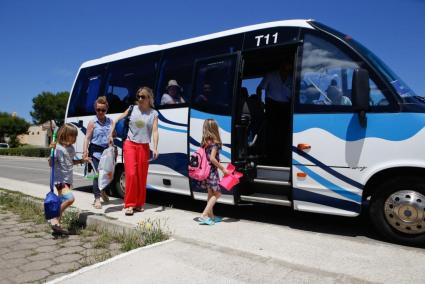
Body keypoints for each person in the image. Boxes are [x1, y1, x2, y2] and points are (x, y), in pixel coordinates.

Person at [109, 87, 159, 216]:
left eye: (143, 96)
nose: (140, 99)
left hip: (144, 146)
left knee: (141, 176)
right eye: (138, 96)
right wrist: (111, 132)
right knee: (130, 174)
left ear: (149, 98)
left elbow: (155, 131)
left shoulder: (153, 113)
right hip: (130, 144)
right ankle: (129, 204)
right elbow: (116, 119)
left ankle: (139, 203)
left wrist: (156, 147)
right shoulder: (132, 109)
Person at [49, 124, 87, 234]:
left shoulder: (71, 148)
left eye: (75, 136)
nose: (75, 138)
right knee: (70, 199)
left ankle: (57, 227)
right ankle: (54, 218)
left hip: (68, 180)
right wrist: (51, 152)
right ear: (65, 135)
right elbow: (51, 164)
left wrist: (81, 161)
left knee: (62, 202)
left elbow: (70, 162)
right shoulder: (57, 148)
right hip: (59, 180)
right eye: (72, 136)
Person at [256, 60, 293, 166]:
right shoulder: (271, 75)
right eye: (287, 64)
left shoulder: (291, 78)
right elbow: (259, 88)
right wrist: (260, 103)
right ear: (282, 65)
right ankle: (270, 158)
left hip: (286, 107)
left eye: (290, 65)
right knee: (271, 133)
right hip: (272, 106)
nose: (289, 67)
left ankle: (281, 157)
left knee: (284, 133)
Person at [82, 96, 113, 209]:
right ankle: (97, 198)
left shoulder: (110, 122)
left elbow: (114, 135)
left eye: (103, 110)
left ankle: (103, 190)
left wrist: (113, 136)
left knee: (107, 175)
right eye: (98, 110)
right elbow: (87, 138)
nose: (100, 112)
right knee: (97, 175)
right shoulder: (92, 122)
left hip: (107, 153)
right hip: (95, 151)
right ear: (95, 109)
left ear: (106, 109)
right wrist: (85, 152)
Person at [197, 119, 229, 225]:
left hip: (205, 172)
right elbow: (212, 159)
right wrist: (223, 169)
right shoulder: (215, 143)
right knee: (218, 193)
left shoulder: (205, 142)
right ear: (215, 128)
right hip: (211, 172)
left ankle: (211, 216)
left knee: (210, 193)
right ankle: (204, 215)